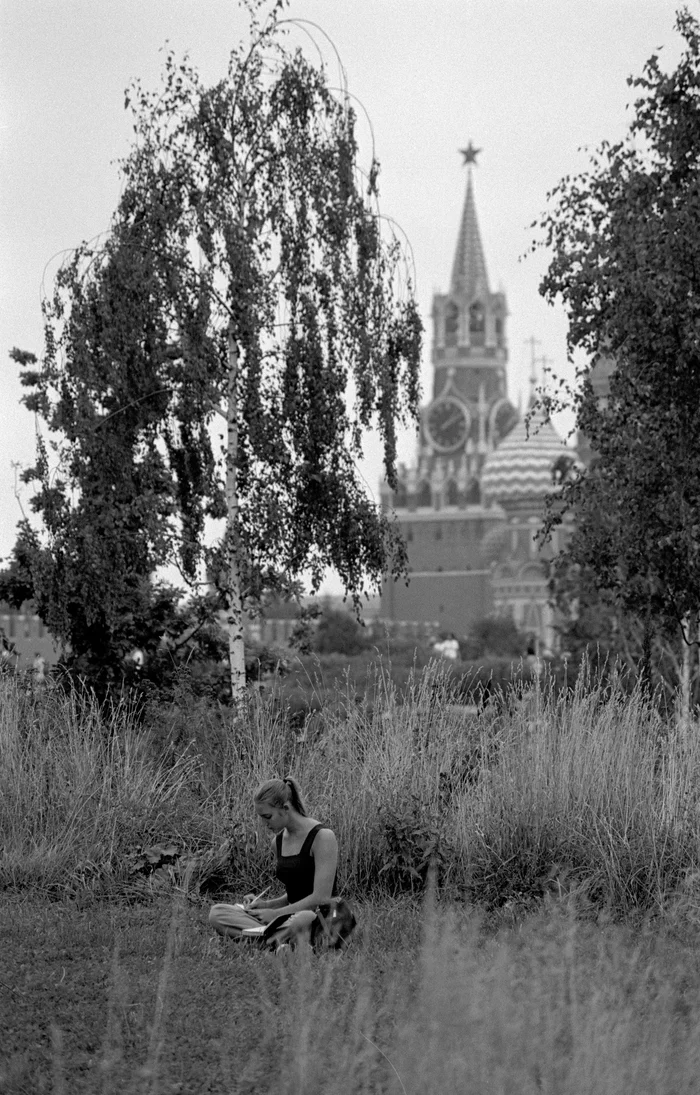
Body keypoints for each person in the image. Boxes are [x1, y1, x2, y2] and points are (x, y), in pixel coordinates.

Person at [209, 776, 344, 948]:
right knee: (217, 912)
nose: (264, 823)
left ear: (285, 808)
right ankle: (279, 942)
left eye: (267, 816)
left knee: (303, 919)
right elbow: (296, 893)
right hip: (288, 917)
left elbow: (321, 897)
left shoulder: (322, 837)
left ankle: (266, 940)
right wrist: (265, 905)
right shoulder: (277, 843)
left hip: (319, 915)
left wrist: (275, 914)